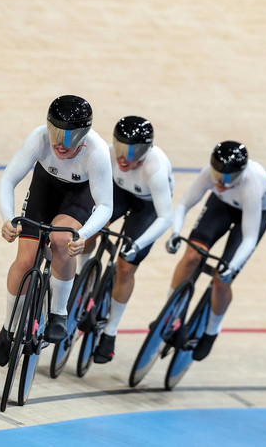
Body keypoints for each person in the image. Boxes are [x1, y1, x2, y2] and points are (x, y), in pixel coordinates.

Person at [0, 95, 114, 367]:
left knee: (61, 239)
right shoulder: (39, 138)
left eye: (70, 137)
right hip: (44, 188)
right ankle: (8, 327)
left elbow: (105, 205)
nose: (61, 144)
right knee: (24, 260)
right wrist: (8, 218)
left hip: (78, 196)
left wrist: (82, 235)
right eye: (56, 134)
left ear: (85, 134)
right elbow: (8, 179)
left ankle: (58, 313)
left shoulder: (97, 151)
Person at [165, 140, 266, 360]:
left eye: (228, 178)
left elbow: (250, 237)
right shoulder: (209, 174)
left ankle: (212, 330)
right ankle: (169, 315)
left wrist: (231, 268)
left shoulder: (252, 182)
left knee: (221, 280)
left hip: (253, 213)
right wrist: (176, 233)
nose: (221, 182)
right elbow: (183, 205)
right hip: (222, 206)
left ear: (241, 173)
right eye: (218, 176)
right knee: (191, 256)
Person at [91, 115, 175, 364]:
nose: (125, 157)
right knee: (90, 229)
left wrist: (136, 245)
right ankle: (81, 280)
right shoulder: (106, 154)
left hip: (147, 206)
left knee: (126, 267)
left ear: (146, 150)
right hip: (118, 193)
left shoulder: (155, 168)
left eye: (134, 151)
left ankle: (110, 332)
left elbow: (165, 218)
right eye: (121, 148)